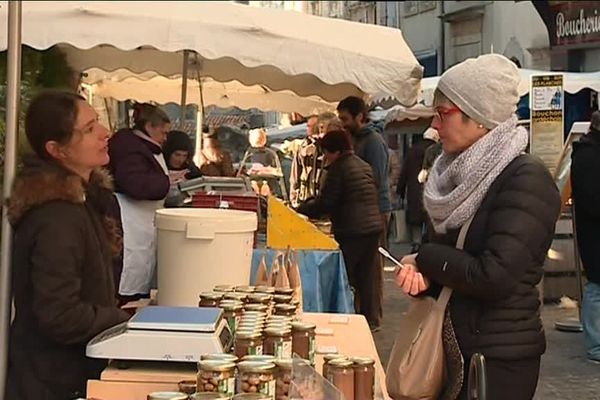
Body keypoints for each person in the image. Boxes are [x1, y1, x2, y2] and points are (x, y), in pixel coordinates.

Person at [395, 54, 560, 400]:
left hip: (497, 359)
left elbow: (493, 275)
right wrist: (422, 279)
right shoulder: (452, 176)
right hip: (454, 344)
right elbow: (452, 265)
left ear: (480, 118)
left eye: (443, 113)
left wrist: (424, 258)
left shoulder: (526, 178)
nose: (435, 125)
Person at [6, 91, 130, 400]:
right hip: (52, 382)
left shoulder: (83, 201)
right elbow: (60, 315)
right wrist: (121, 319)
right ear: (57, 149)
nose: (105, 134)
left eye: (97, 123)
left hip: (69, 373)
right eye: (89, 130)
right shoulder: (56, 218)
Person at [296, 130, 383, 328]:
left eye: (326, 152)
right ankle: (370, 320)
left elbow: (327, 203)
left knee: (347, 276)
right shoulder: (363, 165)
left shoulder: (338, 169)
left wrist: (302, 209)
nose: (325, 157)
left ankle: (348, 317)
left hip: (352, 230)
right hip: (372, 227)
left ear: (334, 151)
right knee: (367, 277)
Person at [108, 103, 171, 301]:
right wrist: (165, 182)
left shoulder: (144, 149)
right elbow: (135, 184)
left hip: (144, 224)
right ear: (149, 127)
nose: (165, 138)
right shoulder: (130, 149)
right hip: (130, 224)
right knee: (129, 277)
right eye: (163, 132)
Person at [337, 96, 390, 331]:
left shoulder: (374, 142)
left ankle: (372, 318)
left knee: (371, 271)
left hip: (376, 211)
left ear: (360, 117)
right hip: (361, 213)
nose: (343, 124)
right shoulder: (355, 140)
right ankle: (362, 315)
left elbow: (376, 179)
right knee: (362, 271)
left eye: (346, 119)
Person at [571, 110, 600, 363]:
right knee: (596, 286)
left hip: (593, 231)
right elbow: (593, 198)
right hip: (595, 234)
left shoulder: (589, 152)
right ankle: (596, 345)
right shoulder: (588, 155)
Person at [397, 127, 439, 253]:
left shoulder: (413, 150)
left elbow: (404, 172)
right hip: (433, 191)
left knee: (416, 221)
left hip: (414, 191)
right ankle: (428, 246)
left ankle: (416, 244)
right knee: (431, 221)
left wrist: (400, 190)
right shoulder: (438, 151)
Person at [290, 115, 322, 206]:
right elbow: (295, 173)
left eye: (309, 126)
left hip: (318, 195)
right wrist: (293, 196)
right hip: (304, 195)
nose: (307, 128)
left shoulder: (324, 147)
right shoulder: (302, 146)